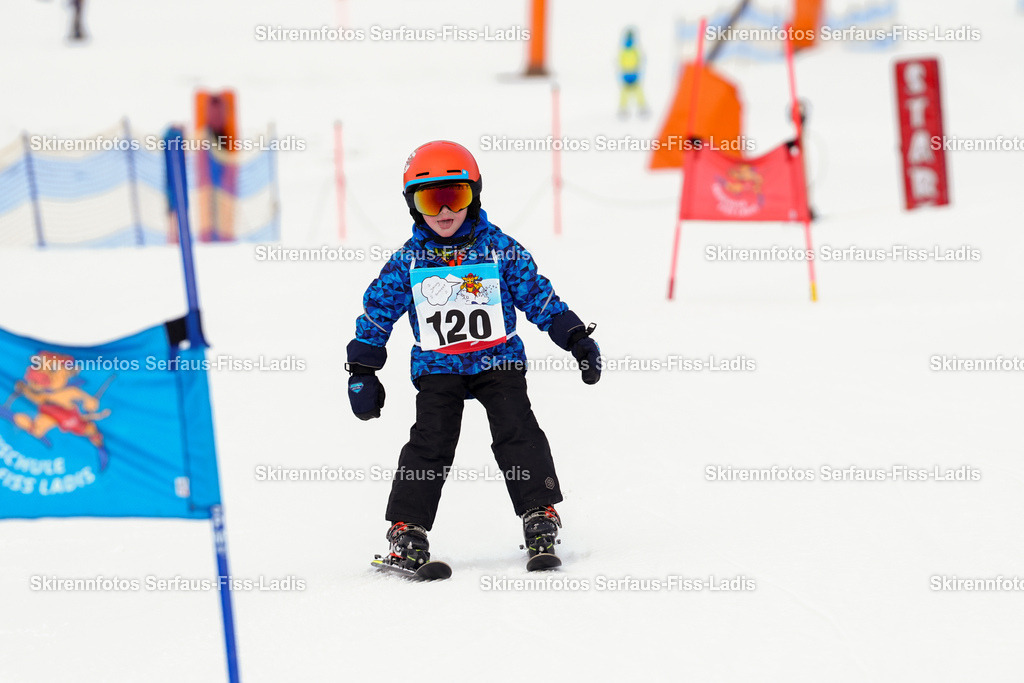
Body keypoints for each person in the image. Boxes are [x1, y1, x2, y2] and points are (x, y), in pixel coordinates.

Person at [346, 140, 601, 571]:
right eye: (431, 199)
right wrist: (362, 369)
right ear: (413, 205)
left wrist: (573, 336)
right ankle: (407, 529)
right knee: (430, 443)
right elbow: (378, 311)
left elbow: (537, 295)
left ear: (474, 195)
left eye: (456, 196)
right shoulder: (408, 261)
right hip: (438, 367)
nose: (445, 211)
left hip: (497, 360)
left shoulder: (499, 248)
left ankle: (540, 512)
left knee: (518, 430)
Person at [618, 27, 649, 118]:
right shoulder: (633, 50)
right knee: (633, 91)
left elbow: (621, 60)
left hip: (628, 73)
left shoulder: (626, 50)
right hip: (631, 73)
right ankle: (638, 107)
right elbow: (640, 59)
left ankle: (626, 108)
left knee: (630, 92)